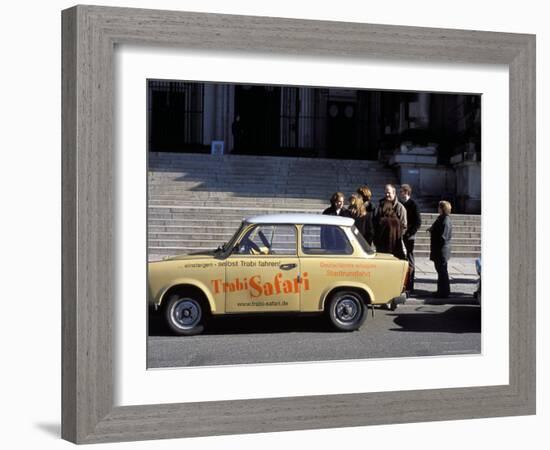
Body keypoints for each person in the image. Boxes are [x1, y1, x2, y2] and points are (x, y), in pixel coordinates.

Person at [428, 200, 453, 298]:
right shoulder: (441, 218)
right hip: (439, 250)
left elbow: (443, 236)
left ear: (442, 208)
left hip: (441, 250)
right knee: (441, 271)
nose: (437, 208)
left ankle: (444, 292)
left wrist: (434, 234)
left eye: (439, 207)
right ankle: (441, 291)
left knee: (442, 271)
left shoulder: (446, 220)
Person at [399, 184, 422, 292]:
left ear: (406, 192)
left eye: (402, 191)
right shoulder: (400, 204)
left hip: (409, 237)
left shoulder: (413, 204)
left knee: (410, 260)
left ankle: (410, 285)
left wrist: (409, 233)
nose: (400, 193)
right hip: (400, 235)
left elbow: (418, 222)